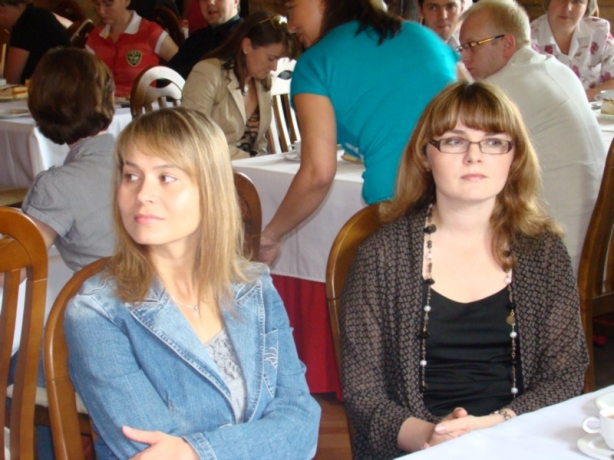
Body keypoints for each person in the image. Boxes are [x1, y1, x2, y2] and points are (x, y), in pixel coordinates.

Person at [340, 81, 588, 460]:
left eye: (494, 142)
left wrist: (496, 425)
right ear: (426, 155)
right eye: (455, 141)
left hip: (521, 439)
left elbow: (566, 374)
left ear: (514, 157)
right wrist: (432, 436)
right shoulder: (382, 256)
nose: (475, 156)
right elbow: (363, 393)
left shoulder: (543, 252)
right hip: (419, 447)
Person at [64, 107, 321, 459]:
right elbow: (150, 452)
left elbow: (302, 423)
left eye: (166, 177)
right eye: (131, 175)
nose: (142, 194)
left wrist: (196, 452)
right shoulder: (97, 314)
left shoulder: (253, 287)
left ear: (210, 190)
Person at [258, 0, 458, 265]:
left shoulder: (316, 62)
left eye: (291, 8)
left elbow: (318, 174)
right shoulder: (424, 37)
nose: (291, 25)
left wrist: (271, 235)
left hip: (402, 204)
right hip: (469, 200)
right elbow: (478, 106)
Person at [458, 0, 606, 272]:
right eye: (462, 48)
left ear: (506, 43)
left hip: (555, 265)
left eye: (472, 46)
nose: (464, 58)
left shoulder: (500, 92)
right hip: (600, 258)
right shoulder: (558, 70)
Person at [23, 47, 116, 272]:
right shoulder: (143, 159)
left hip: (110, 293)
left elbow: (13, 269)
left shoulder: (57, 187)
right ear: (110, 97)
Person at [183, 11, 293, 158]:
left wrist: (262, 165)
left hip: (249, 167)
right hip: (214, 167)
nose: (274, 67)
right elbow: (194, 136)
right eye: (271, 58)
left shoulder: (262, 81)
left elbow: (260, 143)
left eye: (278, 60)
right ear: (247, 45)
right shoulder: (208, 72)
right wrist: (251, 161)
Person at [86, 0, 179, 97]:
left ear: (126, 1)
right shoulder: (94, 37)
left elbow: (182, 66)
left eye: (108, 4)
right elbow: (88, 80)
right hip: (105, 103)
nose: (101, 11)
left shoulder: (150, 32)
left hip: (142, 104)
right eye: (97, 4)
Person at [530, 0, 614, 101]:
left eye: (577, 1)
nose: (567, 8)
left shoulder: (600, 30)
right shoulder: (528, 39)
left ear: (587, 6)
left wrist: (579, 100)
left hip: (594, 109)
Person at [0, 0, 69, 84]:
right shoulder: (42, 15)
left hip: (47, 88)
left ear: (2, 9)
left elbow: (11, 80)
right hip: (64, 85)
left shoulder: (25, 26)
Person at [169, 0, 242, 79]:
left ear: (236, 1)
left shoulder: (244, 39)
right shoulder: (196, 39)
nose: (210, 2)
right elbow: (168, 75)